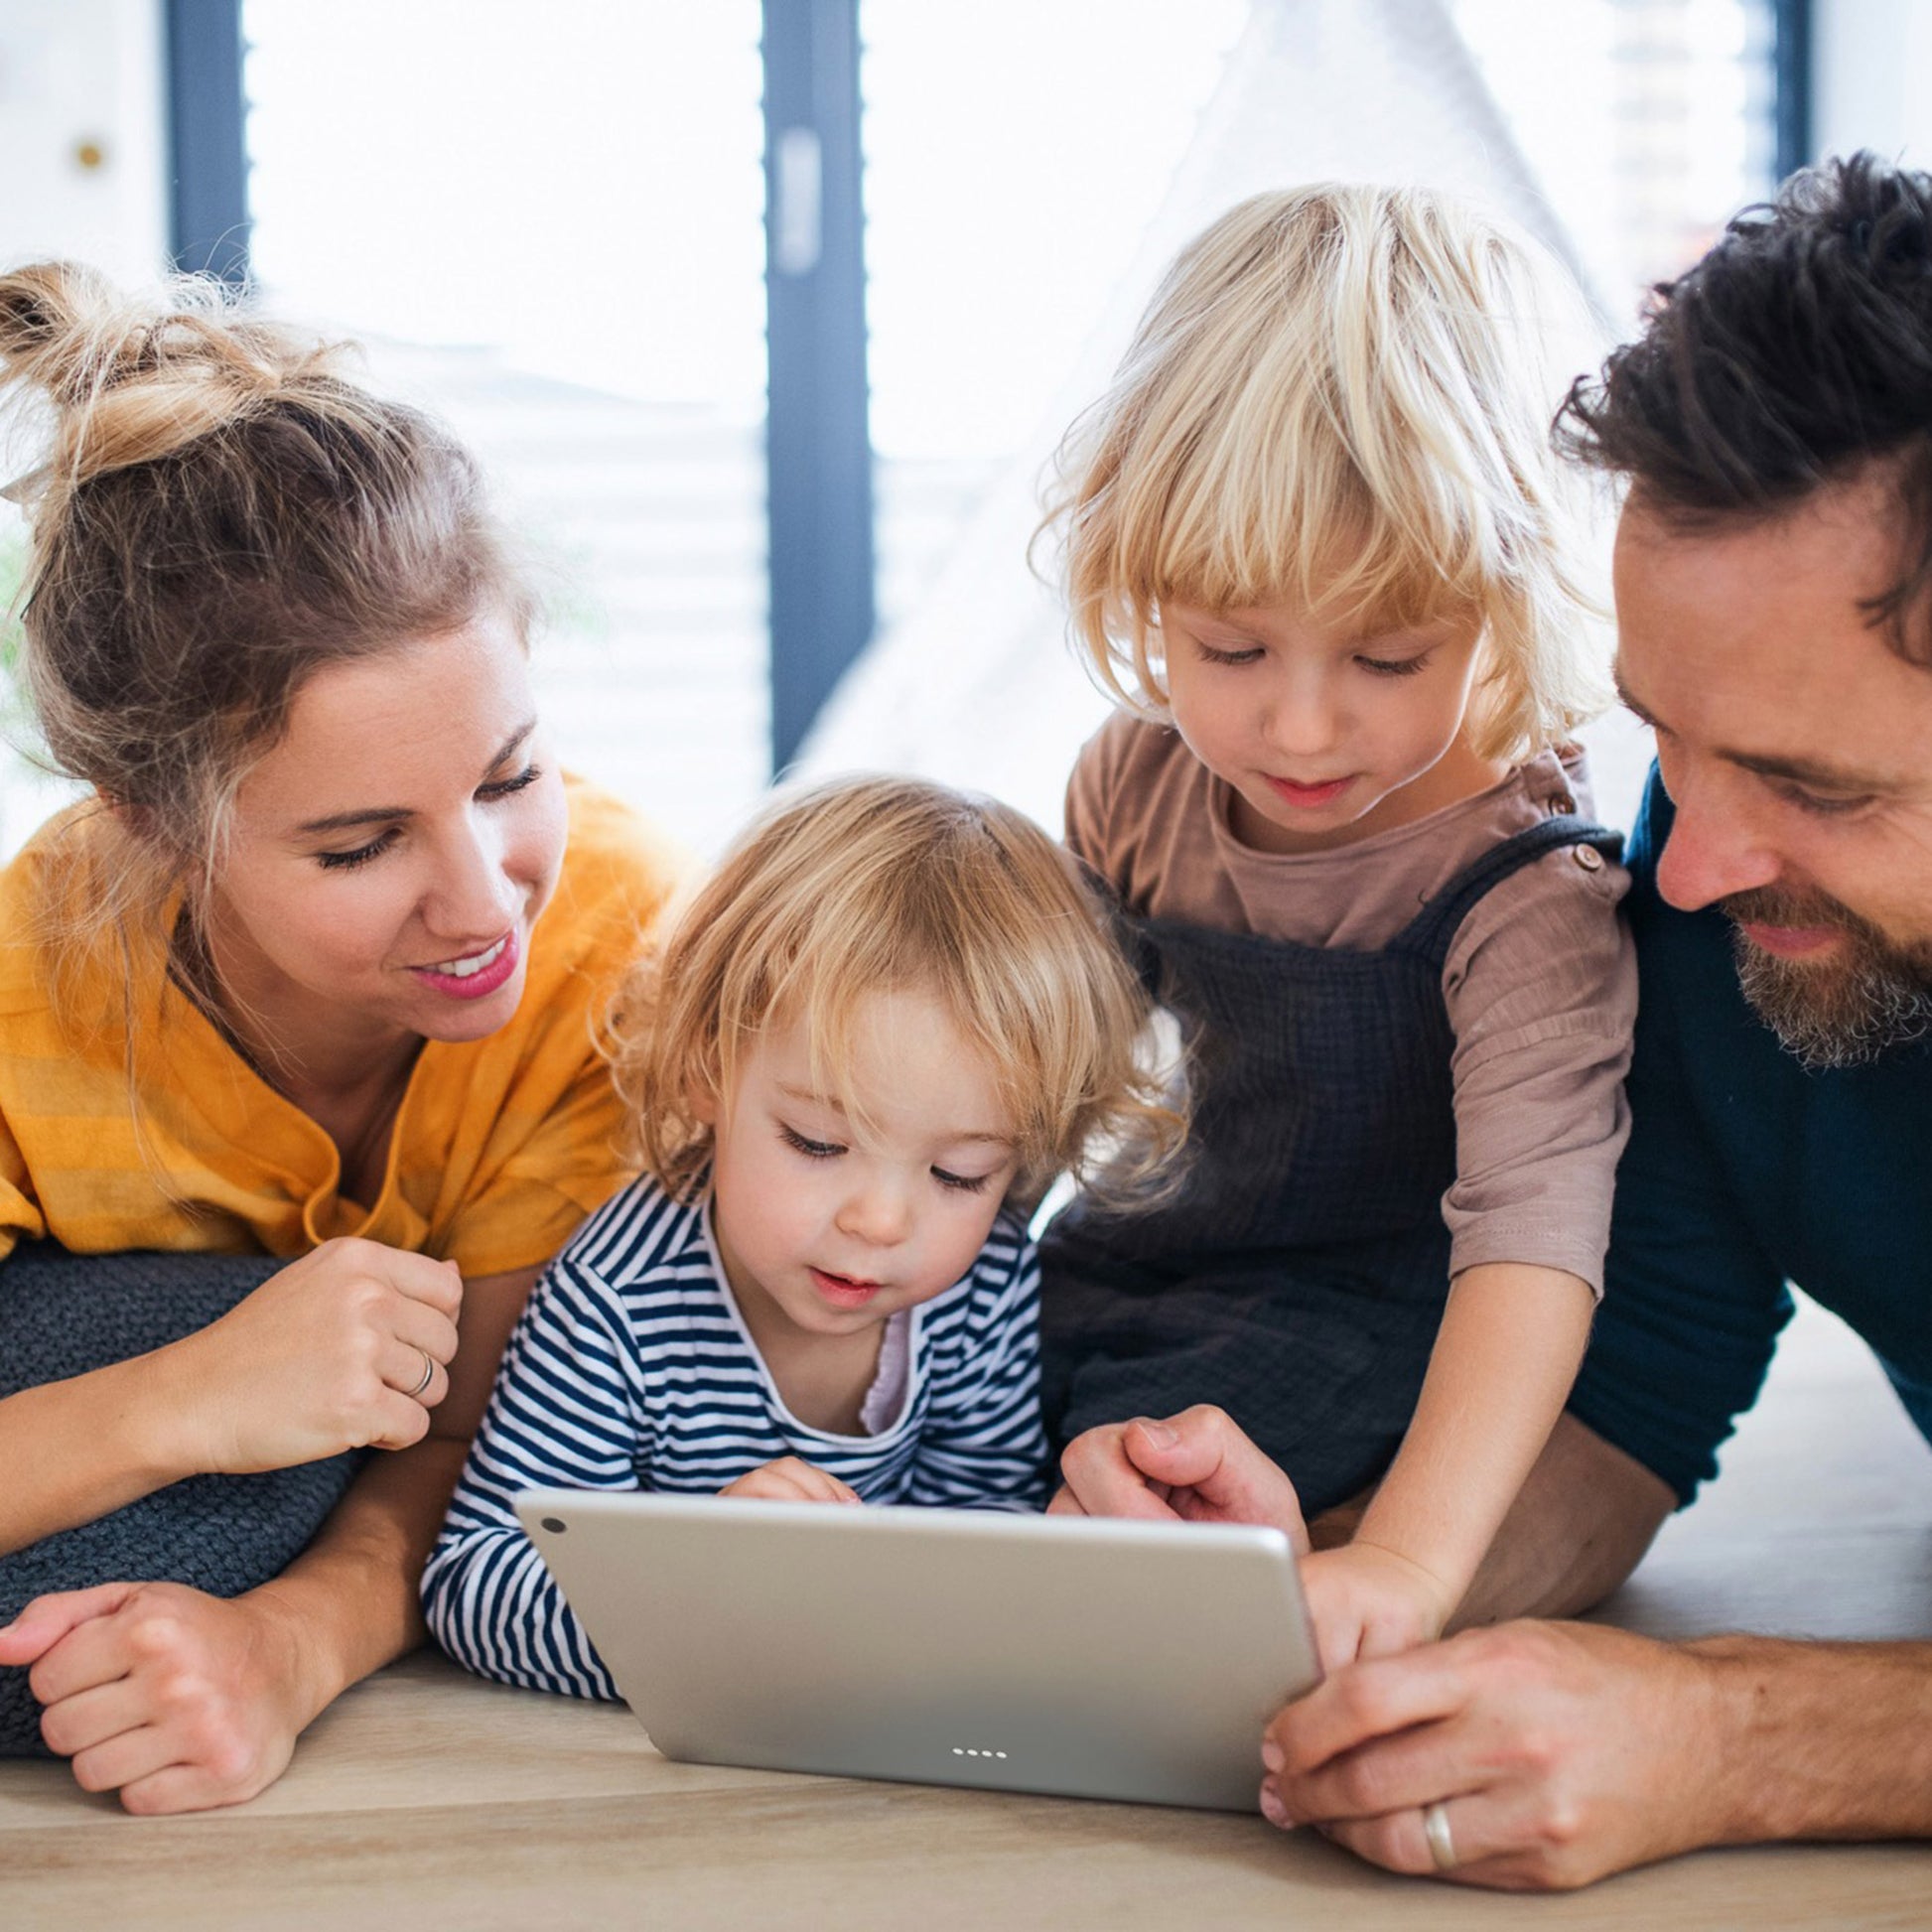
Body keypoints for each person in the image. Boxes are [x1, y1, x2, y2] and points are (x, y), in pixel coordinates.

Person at [1062, 154, 1932, 1890]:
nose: (1677, 867)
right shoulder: (1713, 903)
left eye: (1803, 781)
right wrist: (1321, 1591)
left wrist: (1733, 1736)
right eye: (1664, 739)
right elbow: (1638, 1394)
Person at [0, 263, 678, 1809]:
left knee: (342, 1433)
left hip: (401, 1505)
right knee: (231, 1401)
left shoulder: (624, 947)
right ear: (154, 828)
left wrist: (286, 1647)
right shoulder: (22, 986)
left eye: (512, 776)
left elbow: (489, 1435)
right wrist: (180, 1396)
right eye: (360, 844)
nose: (481, 901)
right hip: (113, 1420)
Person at [1035, 185, 1636, 1669]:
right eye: (1226, 646)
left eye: (1385, 652)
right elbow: (1024, 1073)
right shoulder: (1132, 778)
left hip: (1368, 1320)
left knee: (1178, 1487)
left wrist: (1412, 1569)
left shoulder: (1527, 890)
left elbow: (1532, 1242)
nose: (1297, 725)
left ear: (1504, 599)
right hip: (1140, 1257)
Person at [422, 776, 1182, 1698]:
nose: (882, 1222)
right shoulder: (617, 1301)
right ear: (708, 1069)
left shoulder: (982, 1280)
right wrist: (705, 1594)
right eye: (819, 1144)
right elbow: (475, 1578)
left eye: (959, 1175)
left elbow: (981, 1528)